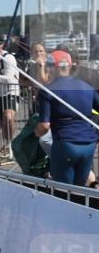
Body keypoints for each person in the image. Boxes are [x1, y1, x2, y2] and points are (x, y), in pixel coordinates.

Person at [35, 54, 99, 186]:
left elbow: (45, 126)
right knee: (80, 190)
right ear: (69, 66)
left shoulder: (47, 91)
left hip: (66, 144)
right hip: (88, 146)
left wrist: (36, 132)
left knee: (65, 192)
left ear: (52, 68)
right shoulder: (87, 87)